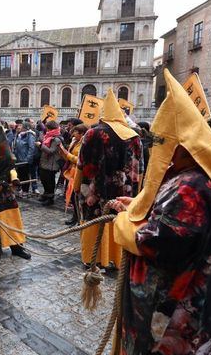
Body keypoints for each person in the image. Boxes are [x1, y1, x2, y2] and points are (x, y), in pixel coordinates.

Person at [109, 70, 211, 355]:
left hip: (173, 312)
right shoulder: (187, 178)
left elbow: (157, 241)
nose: (156, 148)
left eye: (161, 141)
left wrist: (123, 221)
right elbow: (169, 216)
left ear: (179, 145)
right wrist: (143, 206)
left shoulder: (190, 186)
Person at [74, 89, 142, 269]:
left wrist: (76, 186)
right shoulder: (134, 137)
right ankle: (117, 258)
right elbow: (137, 171)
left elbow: (81, 164)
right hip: (123, 192)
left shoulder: (92, 134)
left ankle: (93, 257)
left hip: (94, 190)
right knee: (118, 219)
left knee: (93, 219)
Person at [60, 123, 88, 225]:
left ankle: (79, 219)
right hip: (71, 171)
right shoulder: (74, 142)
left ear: (82, 133)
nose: (73, 134)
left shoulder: (84, 144)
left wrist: (67, 154)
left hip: (78, 172)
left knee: (76, 196)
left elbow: (80, 160)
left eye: (75, 132)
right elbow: (69, 157)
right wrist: (63, 153)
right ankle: (74, 217)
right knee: (72, 196)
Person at [36, 120, 63, 206]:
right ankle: (45, 195)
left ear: (50, 128)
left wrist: (40, 145)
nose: (46, 130)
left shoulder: (56, 139)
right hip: (44, 162)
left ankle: (50, 198)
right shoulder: (48, 136)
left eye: (47, 128)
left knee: (49, 181)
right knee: (44, 180)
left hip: (51, 164)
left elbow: (51, 151)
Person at [13, 122, 36, 192]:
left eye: (22, 126)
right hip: (19, 159)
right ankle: (22, 189)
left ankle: (25, 190)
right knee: (21, 174)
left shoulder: (30, 135)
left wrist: (27, 159)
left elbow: (31, 147)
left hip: (25, 159)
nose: (21, 127)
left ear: (26, 127)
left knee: (25, 176)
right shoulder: (20, 135)